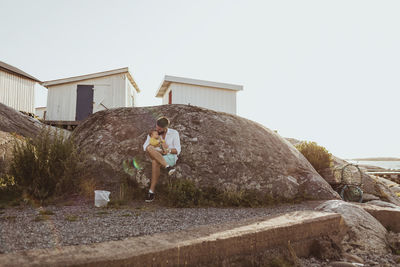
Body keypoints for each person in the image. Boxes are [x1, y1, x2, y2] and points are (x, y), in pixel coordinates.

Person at [143, 116, 181, 202]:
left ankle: (151, 192)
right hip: (156, 153)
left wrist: (167, 150)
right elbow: (145, 147)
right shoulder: (154, 133)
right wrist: (155, 146)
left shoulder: (174, 133)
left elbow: (178, 150)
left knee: (155, 162)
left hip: (169, 156)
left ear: (165, 128)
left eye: (159, 129)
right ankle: (168, 167)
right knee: (149, 148)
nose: (157, 130)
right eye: (156, 127)